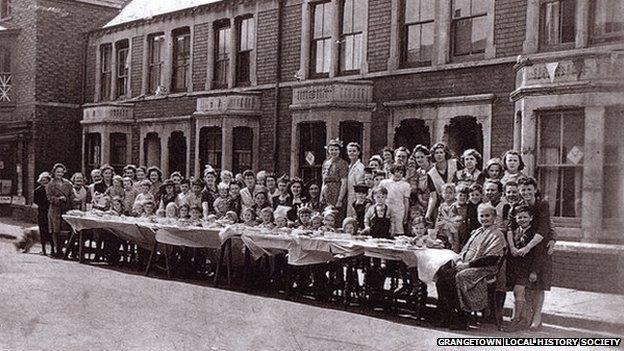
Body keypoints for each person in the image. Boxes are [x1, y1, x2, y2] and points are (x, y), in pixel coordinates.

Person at [435, 203, 506, 330]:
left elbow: (492, 258)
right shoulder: (477, 232)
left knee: (457, 278)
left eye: (487, 216)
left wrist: (468, 264)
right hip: (467, 265)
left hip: (484, 269)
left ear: (494, 217)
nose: (484, 218)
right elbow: (466, 249)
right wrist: (459, 261)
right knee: (442, 275)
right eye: (482, 216)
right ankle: (448, 315)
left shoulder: (497, 234)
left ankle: (462, 319)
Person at [513, 177, 556, 330]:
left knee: (539, 285)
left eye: (529, 189)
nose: (526, 192)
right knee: (527, 285)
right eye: (523, 190)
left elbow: (545, 228)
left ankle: (537, 316)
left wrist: (552, 238)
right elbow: (512, 226)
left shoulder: (542, 205)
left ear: (535, 190)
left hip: (540, 248)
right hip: (526, 249)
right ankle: (528, 316)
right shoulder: (519, 206)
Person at [504, 205, 543, 332]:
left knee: (518, 291)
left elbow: (538, 255)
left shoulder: (534, 233)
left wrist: (534, 271)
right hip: (516, 268)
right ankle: (521, 319)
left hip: (527, 268)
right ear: (515, 218)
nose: (522, 219)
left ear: (531, 218)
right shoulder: (515, 232)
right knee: (519, 294)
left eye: (525, 217)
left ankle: (516, 320)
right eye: (519, 217)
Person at [46, 163, 75, 257]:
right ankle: (55, 249)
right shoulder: (50, 184)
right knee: (55, 230)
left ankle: (61, 248)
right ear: (54, 172)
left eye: (61, 172)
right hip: (55, 210)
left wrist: (68, 199)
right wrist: (58, 199)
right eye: (58, 172)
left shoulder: (68, 184)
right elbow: (49, 198)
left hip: (66, 208)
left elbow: (72, 196)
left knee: (64, 229)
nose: (59, 174)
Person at [426, 142, 457, 222]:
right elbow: (433, 196)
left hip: (458, 202)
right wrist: (428, 214)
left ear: (445, 153)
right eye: (436, 153)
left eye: (441, 152)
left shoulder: (455, 164)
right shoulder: (431, 173)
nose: (439, 155)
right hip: (443, 205)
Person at [321, 139, 349, 221]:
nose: (334, 152)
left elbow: (344, 182)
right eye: (331, 149)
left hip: (336, 191)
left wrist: (339, 199)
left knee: (336, 214)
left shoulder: (342, 163)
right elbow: (323, 181)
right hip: (326, 192)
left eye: (336, 150)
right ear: (328, 150)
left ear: (339, 151)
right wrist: (321, 195)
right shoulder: (325, 163)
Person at [379, 163, 410, 235]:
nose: (398, 174)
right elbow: (378, 195)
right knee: (385, 228)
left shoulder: (406, 185)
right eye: (396, 172)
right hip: (386, 208)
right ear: (392, 171)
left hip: (399, 210)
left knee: (397, 229)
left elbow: (406, 201)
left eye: (401, 172)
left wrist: (405, 215)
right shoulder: (384, 183)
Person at [408, 145, 436, 221]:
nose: (419, 159)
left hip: (435, 200)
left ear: (427, 157)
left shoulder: (434, 169)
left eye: (421, 157)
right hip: (422, 203)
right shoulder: (417, 172)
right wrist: (421, 200)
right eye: (417, 157)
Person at [34, 172, 52, 256]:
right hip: (42, 212)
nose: (44, 182)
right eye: (43, 180)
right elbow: (35, 200)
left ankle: (52, 249)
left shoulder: (52, 189)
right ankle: (43, 249)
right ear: (40, 181)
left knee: (51, 231)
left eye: (46, 180)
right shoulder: (37, 190)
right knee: (42, 231)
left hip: (51, 211)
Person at [435, 183, 457, 250]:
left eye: (450, 193)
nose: (447, 195)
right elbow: (438, 219)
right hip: (443, 231)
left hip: (453, 232)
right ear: (442, 194)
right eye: (445, 193)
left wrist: (450, 235)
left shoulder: (455, 205)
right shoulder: (442, 206)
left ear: (455, 194)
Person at [346, 142, 365, 218]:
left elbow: (359, 185)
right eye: (350, 151)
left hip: (355, 196)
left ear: (358, 152)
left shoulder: (360, 167)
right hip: (349, 195)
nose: (352, 153)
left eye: (354, 151)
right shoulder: (349, 166)